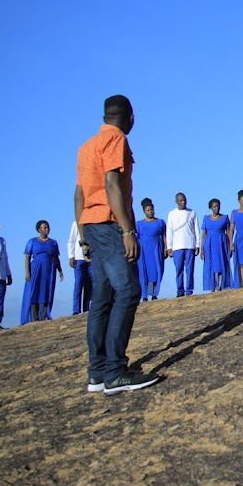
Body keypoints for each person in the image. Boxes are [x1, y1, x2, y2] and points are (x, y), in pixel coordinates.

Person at [75, 94, 159, 395]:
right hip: (110, 225)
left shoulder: (86, 147)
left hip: (92, 226)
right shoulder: (116, 140)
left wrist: (84, 236)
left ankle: (96, 374)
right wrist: (127, 232)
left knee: (102, 297)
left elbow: (79, 195)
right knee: (129, 289)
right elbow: (112, 184)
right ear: (130, 118)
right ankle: (115, 372)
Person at [21, 220, 63, 324]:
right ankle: (34, 316)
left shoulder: (53, 243)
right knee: (34, 291)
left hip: (49, 269)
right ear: (39, 229)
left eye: (48, 227)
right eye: (44, 227)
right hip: (36, 268)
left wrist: (60, 270)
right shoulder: (32, 241)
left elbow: (56, 258)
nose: (47, 229)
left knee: (46, 291)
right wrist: (27, 272)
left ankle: (44, 315)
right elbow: (27, 258)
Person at [165, 192, 200, 297]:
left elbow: (196, 229)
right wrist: (169, 247)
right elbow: (169, 231)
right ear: (176, 202)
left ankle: (189, 290)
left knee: (190, 269)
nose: (183, 202)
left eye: (184, 199)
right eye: (180, 200)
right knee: (179, 269)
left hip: (190, 245)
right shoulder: (172, 214)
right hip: (177, 247)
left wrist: (197, 245)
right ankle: (180, 290)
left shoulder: (192, 212)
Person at [135, 198, 166, 301]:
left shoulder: (160, 222)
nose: (150, 212)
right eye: (148, 210)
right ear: (144, 211)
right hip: (144, 249)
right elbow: (136, 237)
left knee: (156, 271)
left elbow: (164, 236)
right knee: (144, 271)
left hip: (156, 248)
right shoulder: (139, 224)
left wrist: (165, 248)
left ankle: (153, 293)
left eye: (152, 209)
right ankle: (144, 295)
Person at [200, 198, 231, 292]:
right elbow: (204, 234)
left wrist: (230, 246)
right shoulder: (206, 218)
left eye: (218, 206)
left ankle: (220, 286)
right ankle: (212, 286)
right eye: (214, 206)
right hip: (209, 244)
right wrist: (202, 249)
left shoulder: (225, 218)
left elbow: (229, 232)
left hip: (221, 244)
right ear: (211, 208)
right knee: (211, 265)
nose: (217, 208)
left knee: (221, 264)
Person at [66, 220, 92, 314]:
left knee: (90, 284)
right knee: (78, 283)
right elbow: (71, 240)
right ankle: (76, 310)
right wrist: (71, 256)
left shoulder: (94, 220)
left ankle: (86, 308)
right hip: (79, 257)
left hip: (91, 257)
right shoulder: (76, 223)